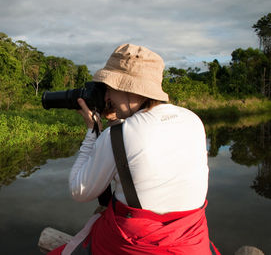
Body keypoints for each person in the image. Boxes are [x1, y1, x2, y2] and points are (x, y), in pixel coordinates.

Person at [48, 44, 221, 255]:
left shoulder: (118, 136)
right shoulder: (193, 120)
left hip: (136, 246)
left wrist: (92, 131)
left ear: (125, 88)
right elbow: (143, 149)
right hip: (192, 243)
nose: (107, 97)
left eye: (109, 88)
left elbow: (79, 191)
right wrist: (118, 123)